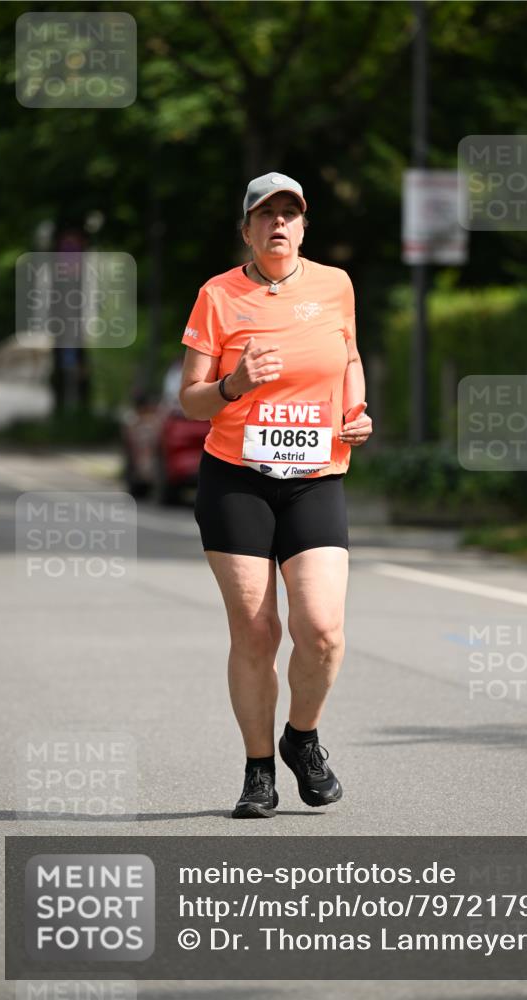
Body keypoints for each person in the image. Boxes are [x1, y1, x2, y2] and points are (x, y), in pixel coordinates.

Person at [179, 171, 372, 818]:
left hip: (315, 476)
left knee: (321, 629)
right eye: (266, 215)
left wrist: (355, 410)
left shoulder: (335, 285)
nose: (278, 223)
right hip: (236, 478)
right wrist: (232, 384)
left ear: (304, 227)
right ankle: (258, 769)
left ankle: (302, 737)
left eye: (290, 214)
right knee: (257, 631)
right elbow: (191, 400)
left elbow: (349, 358)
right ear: (247, 230)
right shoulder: (217, 295)